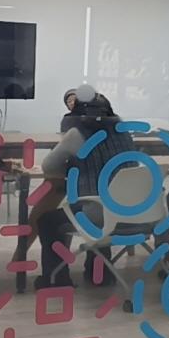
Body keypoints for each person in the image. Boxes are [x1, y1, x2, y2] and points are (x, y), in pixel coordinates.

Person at [34, 84, 133, 288]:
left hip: (99, 212)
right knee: (102, 205)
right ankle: (101, 275)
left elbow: (49, 166)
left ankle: (57, 279)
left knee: (48, 220)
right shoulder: (124, 133)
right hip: (131, 210)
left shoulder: (77, 135)